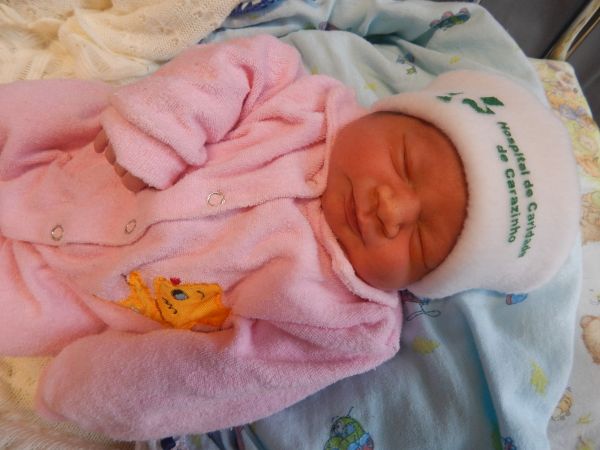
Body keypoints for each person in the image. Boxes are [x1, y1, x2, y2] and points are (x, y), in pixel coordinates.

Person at [0, 34, 579, 440]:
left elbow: (217, 376)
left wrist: (92, 389)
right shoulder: (294, 95)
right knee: (26, 112)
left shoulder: (346, 324)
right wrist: (156, 129)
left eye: (422, 240)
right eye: (405, 163)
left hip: (71, 291)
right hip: (73, 154)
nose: (392, 208)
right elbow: (224, 72)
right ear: (387, 115)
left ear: (419, 283)